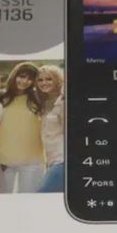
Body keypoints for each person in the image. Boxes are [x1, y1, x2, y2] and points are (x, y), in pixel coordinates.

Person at [0, 62, 44, 193]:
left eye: (30, 79)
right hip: (3, 161)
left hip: (33, 161)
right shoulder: (0, 98)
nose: (25, 81)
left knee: (28, 201)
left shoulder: (39, 98)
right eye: (22, 76)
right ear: (14, 75)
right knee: (1, 200)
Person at [36, 65, 65, 193]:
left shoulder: (63, 101)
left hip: (62, 159)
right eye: (40, 80)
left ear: (57, 80)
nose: (44, 83)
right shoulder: (43, 102)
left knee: (42, 195)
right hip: (50, 161)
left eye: (49, 79)